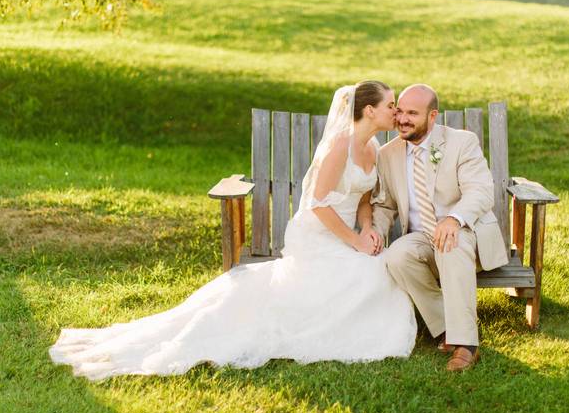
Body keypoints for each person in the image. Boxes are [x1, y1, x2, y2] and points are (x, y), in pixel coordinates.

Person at [50, 81, 416, 380]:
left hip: (345, 234)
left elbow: (365, 200)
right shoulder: (340, 146)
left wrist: (368, 229)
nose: (395, 111)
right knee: (367, 276)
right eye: (391, 105)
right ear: (369, 110)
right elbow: (319, 205)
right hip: (318, 234)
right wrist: (353, 240)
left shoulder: (372, 146)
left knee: (375, 271)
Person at [371, 84, 509, 372]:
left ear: (432, 116)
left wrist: (454, 218)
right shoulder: (387, 154)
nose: (403, 119)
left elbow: (481, 191)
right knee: (397, 256)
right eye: (401, 111)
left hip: (465, 231)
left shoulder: (461, 142)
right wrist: (375, 234)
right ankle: (447, 327)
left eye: (413, 113)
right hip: (422, 237)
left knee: (449, 242)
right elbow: (384, 205)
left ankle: (467, 346)